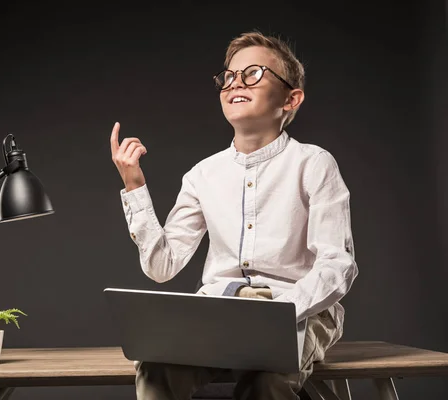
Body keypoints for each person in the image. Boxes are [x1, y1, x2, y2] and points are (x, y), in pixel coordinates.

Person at [109, 30, 358, 400]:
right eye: (228, 76)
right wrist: (134, 186)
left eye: (253, 74)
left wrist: (276, 314)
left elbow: (337, 265)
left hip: (298, 309)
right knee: (155, 368)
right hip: (219, 311)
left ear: (291, 98)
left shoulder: (314, 164)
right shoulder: (202, 174)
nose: (235, 83)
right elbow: (162, 266)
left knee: (267, 379)